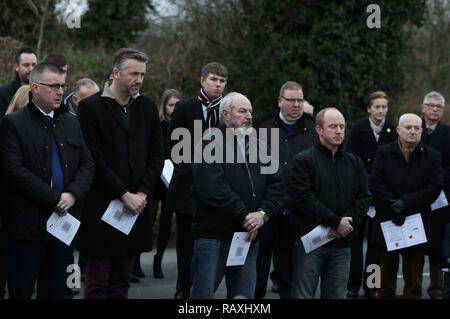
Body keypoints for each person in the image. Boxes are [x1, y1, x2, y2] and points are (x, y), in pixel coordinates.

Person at [0, 63, 95, 299]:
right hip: (25, 231)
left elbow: (87, 164)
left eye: (63, 86)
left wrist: (72, 194)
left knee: (59, 293)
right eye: (54, 86)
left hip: (63, 230)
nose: (61, 91)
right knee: (21, 292)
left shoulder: (71, 123)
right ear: (35, 88)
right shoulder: (13, 124)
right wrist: (55, 199)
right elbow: (13, 171)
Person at [76, 48, 164, 299]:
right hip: (101, 207)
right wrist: (124, 194)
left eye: (143, 74)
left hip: (136, 207)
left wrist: (143, 193)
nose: (139, 80)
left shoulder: (147, 106)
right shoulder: (90, 108)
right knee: (97, 282)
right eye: (133, 73)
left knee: (122, 282)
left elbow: (157, 155)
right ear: (115, 72)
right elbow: (93, 159)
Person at [189, 92, 284, 298]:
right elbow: (214, 190)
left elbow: (278, 186)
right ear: (225, 115)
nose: (249, 116)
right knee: (201, 297)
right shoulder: (208, 144)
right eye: (242, 111)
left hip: (247, 238)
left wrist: (262, 214)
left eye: (250, 111)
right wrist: (245, 217)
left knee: (243, 298)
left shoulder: (261, 147)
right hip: (214, 237)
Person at [288, 107, 372, 299]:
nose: (339, 131)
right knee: (303, 295)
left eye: (342, 126)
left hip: (343, 244)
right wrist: (335, 222)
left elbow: (364, 197)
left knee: (336, 295)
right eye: (333, 126)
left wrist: (346, 224)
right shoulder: (304, 161)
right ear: (319, 130)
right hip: (311, 243)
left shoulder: (355, 162)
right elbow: (303, 199)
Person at [167, 62, 227, 299]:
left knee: (211, 244)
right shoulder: (184, 107)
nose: (218, 84)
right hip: (187, 187)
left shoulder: (227, 108)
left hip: (219, 188)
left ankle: (203, 290)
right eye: (213, 79)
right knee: (186, 245)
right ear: (202, 81)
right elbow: (172, 147)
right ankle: (182, 289)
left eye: (222, 81)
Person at [253, 81, 318, 299]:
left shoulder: (313, 129)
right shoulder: (261, 127)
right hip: (266, 211)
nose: (297, 105)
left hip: (298, 212)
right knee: (258, 268)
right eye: (292, 100)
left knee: (290, 270)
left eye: (300, 100)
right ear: (280, 101)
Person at [370, 113, 443, 299]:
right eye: (408, 127)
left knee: (414, 283)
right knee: (384, 282)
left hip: (416, 223)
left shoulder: (432, 156)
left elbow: (434, 188)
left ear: (421, 131)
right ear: (398, 130)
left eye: (417, 128)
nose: (412, 131)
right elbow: (375, 183)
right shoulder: (383, 152)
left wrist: (405, 203)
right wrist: (393, 205)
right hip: (388, 222)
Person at [345, 91, 398, 299]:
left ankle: (371, 285)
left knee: (376, 246)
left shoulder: (392, 131)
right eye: (377, 106)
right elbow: (350, 160)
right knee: (355, 243)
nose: (381, 110)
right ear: (369, 108)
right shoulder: (358, 129)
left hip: (380, 198)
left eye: (384, 107)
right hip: (359, 196)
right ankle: (353, 286)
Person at [147, 88, 182, 279]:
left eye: (177, 105)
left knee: (167, 223)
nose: (174, 109)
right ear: (164, 106)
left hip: (172, 180)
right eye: (170, 105)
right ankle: (136, 261)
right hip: (155, 179)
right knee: (148, 220)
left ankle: (158, 261)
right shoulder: (158, 125)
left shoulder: (182, 128)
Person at [419, 91, 450, 299]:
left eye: (439, 106)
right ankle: (412, 287)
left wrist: (437, 183)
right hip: (415, 194)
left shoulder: (448, 133)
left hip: (441, 197)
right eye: (431, 105)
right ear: (423, 108)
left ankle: (436, 288)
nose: (434, 109)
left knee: (438, 245)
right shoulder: (411, 127)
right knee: (415, 244)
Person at [0, 48, 37, 116]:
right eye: (26, 65)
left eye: (34, 65)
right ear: (17, 66)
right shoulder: (4, 92)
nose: (31, 69)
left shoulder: (44, 90)